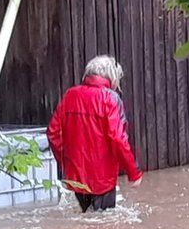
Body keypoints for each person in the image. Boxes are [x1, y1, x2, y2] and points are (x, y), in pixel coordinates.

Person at [47, 55, 143, 212]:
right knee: (105, 228)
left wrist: (66, 162)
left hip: (77, 179)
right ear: (111, 76)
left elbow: (53, 132)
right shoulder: (110, 98)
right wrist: (134, 172)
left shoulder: (70, 95)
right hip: (102, 180)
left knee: (87, 220)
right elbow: (118, 138)